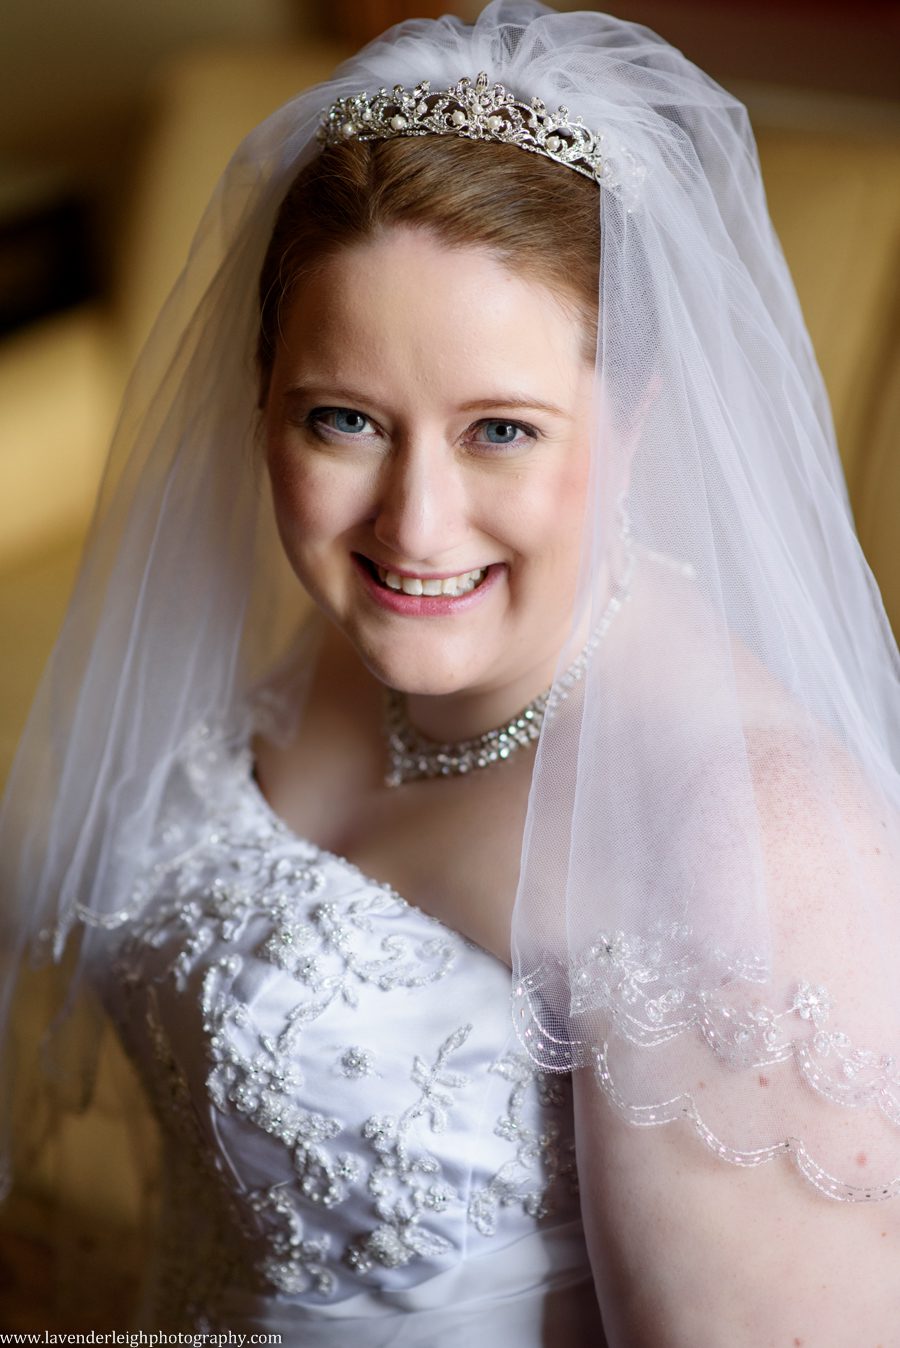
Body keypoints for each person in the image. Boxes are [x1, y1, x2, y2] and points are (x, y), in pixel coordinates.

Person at [2, 1, 900, 1342]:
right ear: (263, 400)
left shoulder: (753, 849)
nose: (413, 527)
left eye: (500, 431)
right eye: (346, 419)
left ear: (638, 418)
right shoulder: (368, 624)